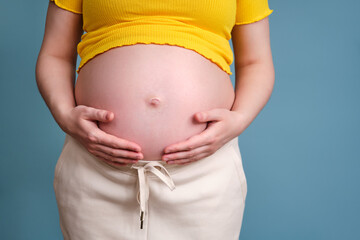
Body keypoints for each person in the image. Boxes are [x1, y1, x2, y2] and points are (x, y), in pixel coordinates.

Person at [35, 0, 274, 239]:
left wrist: (240, 119)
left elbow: (256, 62)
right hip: (96, 171)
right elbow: (55, 55)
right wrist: (65, 115)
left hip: (204, 175)